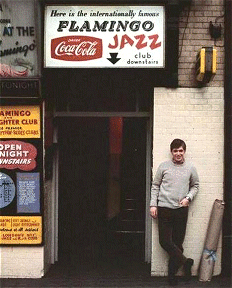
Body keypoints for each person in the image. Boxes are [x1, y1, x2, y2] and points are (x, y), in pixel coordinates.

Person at [150, 139, 199, 286]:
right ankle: (186, 262)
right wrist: (153, 204)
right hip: (164, 208)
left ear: (184, 151)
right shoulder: (163, 166)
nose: (178, 153)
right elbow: (155, 186)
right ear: (171, 152)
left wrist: (188, 198)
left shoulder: (190, 168)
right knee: (165, 242)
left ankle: (172, 276)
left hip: (180, 210)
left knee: (178, 243)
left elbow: (195, 186)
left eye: (181, 151)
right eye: (175, 151)